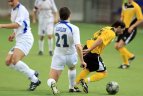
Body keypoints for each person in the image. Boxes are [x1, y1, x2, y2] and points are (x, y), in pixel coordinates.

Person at [74, 21, 126, 93]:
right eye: (123, 30)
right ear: (119, 27)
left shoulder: (107, 28)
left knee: (88, 68)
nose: (122, 32)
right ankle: (84, 81)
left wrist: (88, 48)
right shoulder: (112, 33)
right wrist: (90, 49)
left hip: (88, 46)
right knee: (104, 73)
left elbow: (96, 35)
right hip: (92, 51)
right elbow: (100, 40)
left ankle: (75, 85)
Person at [0, 0, 41, 91]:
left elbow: (17, 24)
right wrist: (13, 35)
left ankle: (35, 80)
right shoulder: (13, 10)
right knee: (8, 62)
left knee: (15, 60)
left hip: (25, 39)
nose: (9, 2)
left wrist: (2, 25)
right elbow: (20, 25)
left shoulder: (21, 9)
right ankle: (32, 72)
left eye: (11, 0)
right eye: (8, 0)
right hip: (19, 40)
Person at [47, 7, 86, 95]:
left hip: (59, 55)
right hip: (71, 55)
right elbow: (79, 47)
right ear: (70, 15)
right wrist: (82, 61)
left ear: (60, 16)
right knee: (72, 68)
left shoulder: (56, 26)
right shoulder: (74, 28)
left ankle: (53, 84)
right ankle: (71, 87)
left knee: (51, 79)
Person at [115, 0, 143, 69]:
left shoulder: (136, 6)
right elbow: (122, 16)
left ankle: (126, 63)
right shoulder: (124, 4)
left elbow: (141, 19)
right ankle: (130, 56)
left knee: (120, 46)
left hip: (130, 30)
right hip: (123, 29)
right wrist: (120, 25)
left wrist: (132, 26)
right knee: (116, 46)